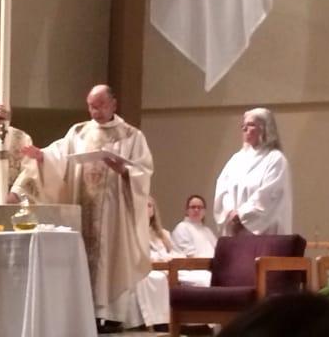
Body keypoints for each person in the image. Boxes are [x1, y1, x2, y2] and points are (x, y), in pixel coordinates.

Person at [21, 84, 153, 333]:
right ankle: (86, 314)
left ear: (113, 104)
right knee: (84, 257)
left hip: (114, 212)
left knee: (113, 259)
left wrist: (124, 171)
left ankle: (112, 315)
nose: (95, 111)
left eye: (100, 105)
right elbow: (58, 157)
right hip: (83, 208)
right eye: (91, 106)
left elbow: (144, 171)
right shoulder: (78, 132)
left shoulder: (131, 136)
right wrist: (42, 157)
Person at [213, 107, 292, 236]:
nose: (244, 129)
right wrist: (230, 212)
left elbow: (268, 194)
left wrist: (242, 215)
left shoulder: (275, 159)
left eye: (250, 125)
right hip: (234, 228)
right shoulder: (236, 159)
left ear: (265, 128)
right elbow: (223, 188)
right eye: (243, 125)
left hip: (263, 230)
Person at [133, 196, 182, 330]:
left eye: (150, 205)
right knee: (158, 278)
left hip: (168, 265)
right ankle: (161, 322)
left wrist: (173, 260)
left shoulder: (163, 234)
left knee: (196, 277)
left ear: (154, 210)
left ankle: (192, 320)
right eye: (143, 205)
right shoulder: (134, 232)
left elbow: (173, 252)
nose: (147, 209)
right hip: (147, 268)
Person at [171, 194, 217, 287]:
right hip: (189, 270)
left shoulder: (207, 230)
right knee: (208, 280)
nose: (196, 210)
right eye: (193, 207)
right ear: (187, 210)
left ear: (204, 211)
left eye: (200, 207)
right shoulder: (182, 227)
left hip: (208, 268)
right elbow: (190, 256)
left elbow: (217, 251)